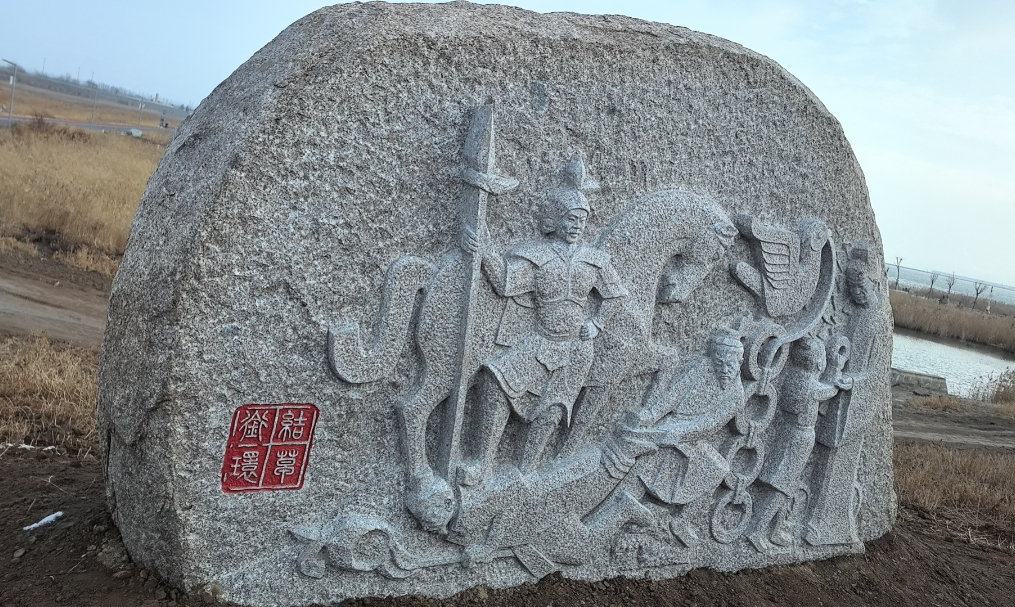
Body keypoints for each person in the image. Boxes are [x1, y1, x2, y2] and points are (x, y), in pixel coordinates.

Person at [461, 158, 627, 480]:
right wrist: (485, 250)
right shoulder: (536, 255)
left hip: (575, 348)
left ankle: (526, 472)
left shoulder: (594, 260)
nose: (577, 225)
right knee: (496, 381)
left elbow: (615, 296)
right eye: (571, 218)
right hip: (539, 340)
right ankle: (482, 463)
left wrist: (597, 323)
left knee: (553, 407)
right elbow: (506, 283)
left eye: (582, 219)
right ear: (556, 219)